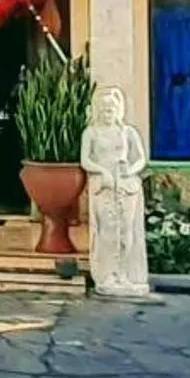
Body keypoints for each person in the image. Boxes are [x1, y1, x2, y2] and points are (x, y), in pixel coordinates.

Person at [80, 85, 149, 296]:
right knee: (107, 230)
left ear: (118, 110)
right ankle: (107, 273)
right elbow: (86, 160)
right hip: (104, 186)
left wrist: (130, 170)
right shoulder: (91, 133)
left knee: (126, 231)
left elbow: (141, 159)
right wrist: (102, 171)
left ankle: (125, 274)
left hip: (126, 186)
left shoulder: (127, 132)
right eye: (103, 109)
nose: (106, 113)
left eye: (110, 109)